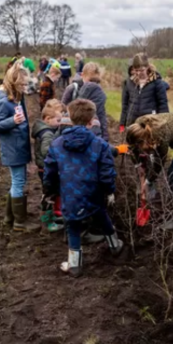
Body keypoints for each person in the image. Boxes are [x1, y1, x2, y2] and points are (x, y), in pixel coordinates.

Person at [43, 99, 124, 277]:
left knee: (72, 225)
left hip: (70, 194)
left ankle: (74, 265)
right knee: (102, 216)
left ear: (69, 118)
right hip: (94, 192)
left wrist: (51, 190)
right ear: (91, 121)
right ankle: (115, 245)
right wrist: (109, 190)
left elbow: (49, 171)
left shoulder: (57, 144)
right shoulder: (99, 144)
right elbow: (107, 171)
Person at [126, 113, 173, 230]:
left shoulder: (159, 135)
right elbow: (133, 149)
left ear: (145, 141)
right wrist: (139, 167)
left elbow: (159, 163)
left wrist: (148, 182)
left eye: (140, 146)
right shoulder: (138, 126)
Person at [0, 66, 40, 232]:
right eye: (21, 84)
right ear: (13, 83)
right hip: (13, 148)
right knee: (19, 181)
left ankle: (10, 217)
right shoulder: (4, 102)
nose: (24, 88)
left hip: (18, 145)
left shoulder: (16, 97)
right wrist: (13, 121)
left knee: (17, 181)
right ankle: (20, 222)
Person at [33, 100, 64, 233]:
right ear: (47, 119)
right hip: (46, 169)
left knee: (52, 192)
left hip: (44, 168)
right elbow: (47, 151)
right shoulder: (47, 134)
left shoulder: (46, 130)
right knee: (48, 195)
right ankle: (47, 224)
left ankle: (54, 216)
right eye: (58, 120)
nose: (60, 123)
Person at [119, 54, 170, 131]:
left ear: (147, 67)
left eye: (142, 70)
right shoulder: (129, 83)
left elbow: (163, 105)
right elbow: (125, 105)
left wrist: (163, 125)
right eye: (136, 70)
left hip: (150, 125)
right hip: (133, 124)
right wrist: (122, 124)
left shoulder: (157, 82)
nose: (139, 73)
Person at [62, 62, 109, 141]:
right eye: (90, 80)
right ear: (82, 75)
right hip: (72, 130)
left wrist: (105, 137)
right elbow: (63, 108)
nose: (93, 84)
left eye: (96, 81)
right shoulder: (73, 88)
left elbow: (102, 115)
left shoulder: (99, 93)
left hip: (92, 130)